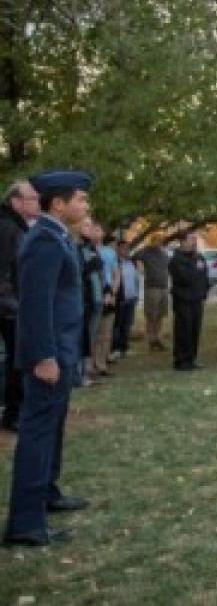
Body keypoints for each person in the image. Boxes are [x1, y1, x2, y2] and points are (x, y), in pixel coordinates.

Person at [3, 170, 93, 547]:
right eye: (80, 199)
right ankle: (25, 522)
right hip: (49, 355)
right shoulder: (44, 240)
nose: (86, 205)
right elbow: (35, 305)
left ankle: (47, 493)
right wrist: (43, 356)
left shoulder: (56, 236)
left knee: (53, 428)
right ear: (57, 204)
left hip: (63, 351)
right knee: (38, 433)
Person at [1, 180, 39, 431]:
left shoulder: (17, 226)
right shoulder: (7, 228)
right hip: (8, 307)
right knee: (16, 360)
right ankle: (12, 413)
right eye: (32, 198)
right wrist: (14, 308)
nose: (37, 201)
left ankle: (14, 410)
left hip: (12, 304)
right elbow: (4, 273)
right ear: (16, 202)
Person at [167, 229, 209, 371]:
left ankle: (192, 357)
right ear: (183, 241)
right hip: (183, 299)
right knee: (183, 329)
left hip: (197, 299)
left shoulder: (198, 258)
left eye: (194, 239)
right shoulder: (176, 260)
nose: (194, 242)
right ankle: (181, 359)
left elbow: (204, 276)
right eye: (191, 239)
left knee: (195, 329)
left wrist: (203, 292)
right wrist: (196, 270)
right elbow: (185, 278)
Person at [77, 220, 104, 387]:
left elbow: (100, 274)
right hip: (83, 300)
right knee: (82, 338)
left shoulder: (92, 249)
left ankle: (86, 371)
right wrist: (89, 265)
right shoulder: (76, 247)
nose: (95, 231)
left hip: (96, 298)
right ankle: (78, 374)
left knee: (90, 337)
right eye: (88, 226)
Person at [90, 231, 120, 376]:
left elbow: (116, 273)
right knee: (92, 331)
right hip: (92, 295)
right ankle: (90, 365)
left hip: (109, 295)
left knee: (106, 332)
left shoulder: (109, 252)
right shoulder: (85, 249)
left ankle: (102, 364)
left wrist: (113, 292)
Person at [132, 237, 169, 351]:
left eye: (160, 241)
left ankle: (157, 338)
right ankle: (151, 339)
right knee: (151, 314)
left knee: (160, 314)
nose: (159, 242)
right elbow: (134, 257)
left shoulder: (164, 254)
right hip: (152, 287)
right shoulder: (146, 252)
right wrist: (140, 268)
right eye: (157, 240)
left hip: (164, 287)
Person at [112, 241, 140, 359]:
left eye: (127, 248)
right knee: (118, 324)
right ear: (117, 250)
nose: (125, 251)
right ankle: (116, 348)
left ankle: (124, 347)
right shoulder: (116, 263)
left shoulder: (131, 262)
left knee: (127, 324)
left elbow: (136, 280)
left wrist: (136, 295)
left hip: (131, 297)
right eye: (123, 248)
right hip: (120, 298)